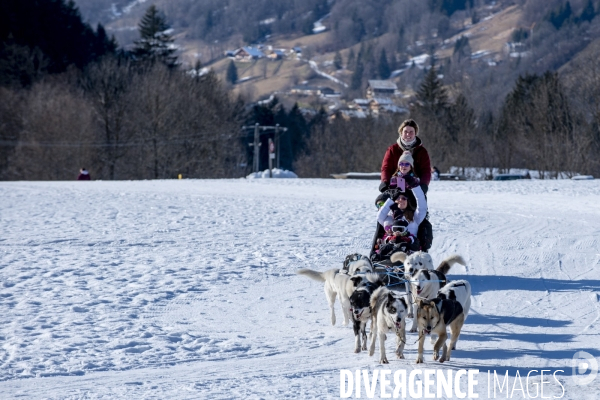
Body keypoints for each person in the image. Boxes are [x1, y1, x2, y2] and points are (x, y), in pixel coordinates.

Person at [373, 177, 427, 260]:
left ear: (407, 201)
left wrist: (415, 187)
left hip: (409, 250)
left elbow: (422, 206)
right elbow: (379, 216)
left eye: (404, 198)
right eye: (398, 198)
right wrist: (390, 200)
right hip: (391, 247)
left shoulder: (414, 217)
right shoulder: (389, 217)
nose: (401, 200)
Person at [379, 119, 431, 194]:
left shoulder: (422, 151)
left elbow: (425, 170)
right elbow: (386, 168)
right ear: (401, 132)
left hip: (415, 187)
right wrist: (385, 182)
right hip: (395, 186)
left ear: (415, 133)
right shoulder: (392, 150)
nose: (408, 134)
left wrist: (424, 184)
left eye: (411, 132)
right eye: (405, 132)